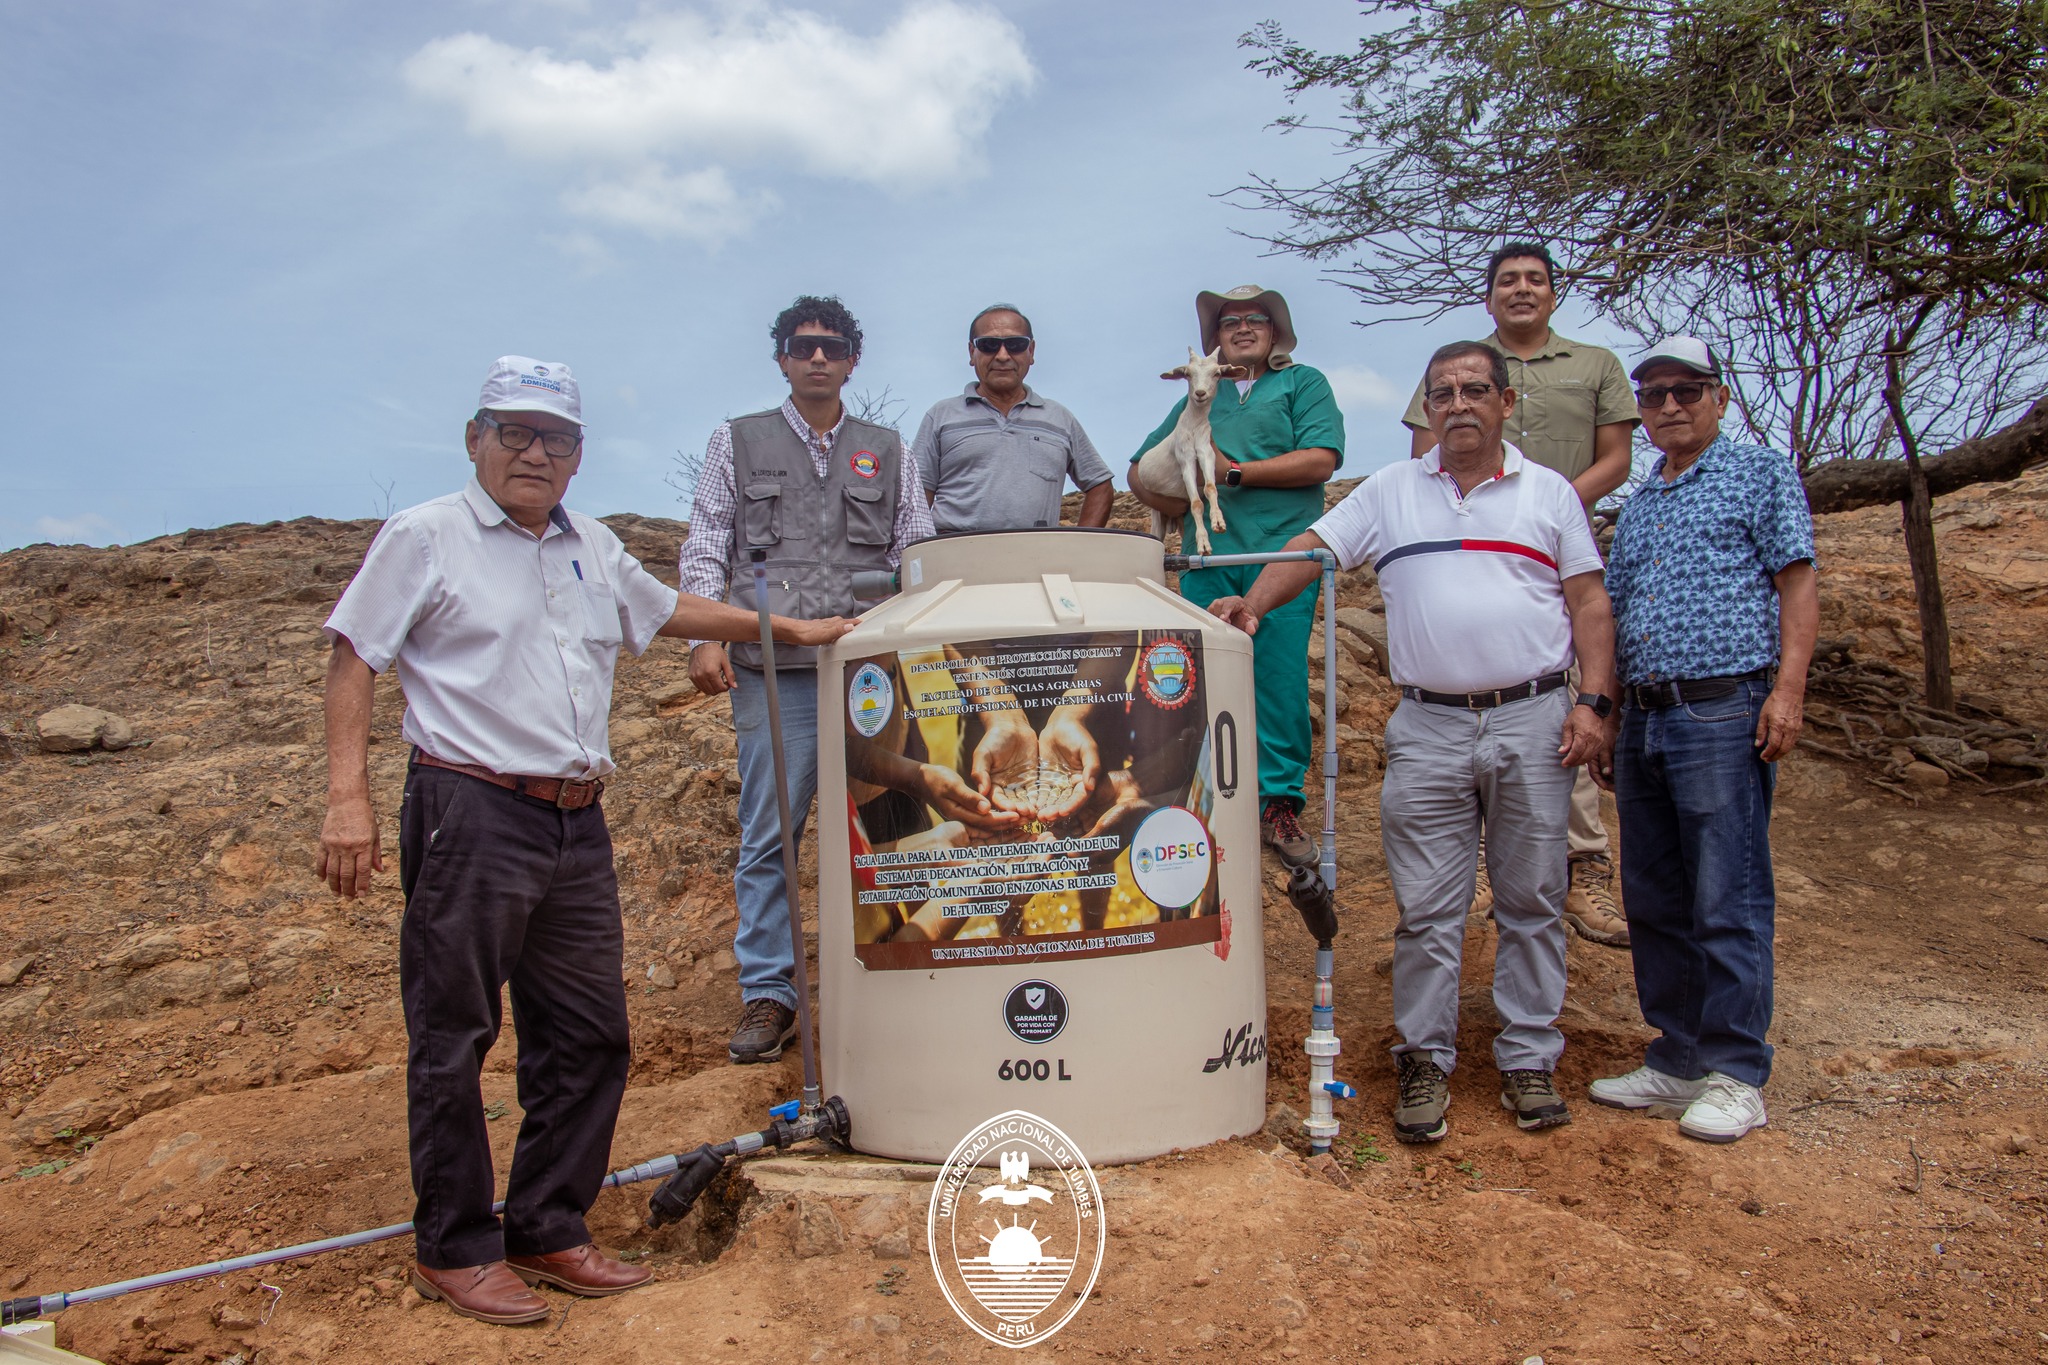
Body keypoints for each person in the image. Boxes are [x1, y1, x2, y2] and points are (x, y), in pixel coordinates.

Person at [318, 357, 851, 1326]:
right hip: (468, 808)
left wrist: (796, 630)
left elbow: (666, 611)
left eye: (554, 439)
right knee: (455, 1035)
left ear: (576, 456)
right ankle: (453, 1247)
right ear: (475, 438)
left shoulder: (588, 546)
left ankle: (546, 1223)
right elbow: (356, 652)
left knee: (590, 1037)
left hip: (573, 821)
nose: (533, 453)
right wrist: (345, 798)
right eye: (514, 433)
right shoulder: (425, 536)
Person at [1209, 341, 1616, 1143]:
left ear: (1505, 402)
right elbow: (1311, 551)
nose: (1458, 404)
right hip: (1427, 723)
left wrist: (1594, 702)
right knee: (1428, 908)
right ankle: (1424, 1057)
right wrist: (1254, 604)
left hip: (1534, 716)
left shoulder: (1551, 494)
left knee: (1532, 898)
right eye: (1442, 393)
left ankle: (1528, 1057)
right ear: (1426, 408)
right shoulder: (1392, 490)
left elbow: (1589, 602)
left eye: (1474, 390)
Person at [678, 296, 938, 1065]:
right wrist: (701, 632)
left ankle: (907, 973)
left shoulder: (887, 449)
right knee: (772, 835)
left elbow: (916, 552)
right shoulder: (737, 441)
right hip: (773, 672)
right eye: (802, 346)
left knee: (894, 822)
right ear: (783, 359)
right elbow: (704, 544)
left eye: (832, 346)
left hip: (872, 675)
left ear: (853, 358)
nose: (817, 357)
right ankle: (770, 993)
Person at [1588, 337, 1817, 1145]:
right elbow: (1610, 617)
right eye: (1653, 395)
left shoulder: (1759, 472)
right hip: (1646, 714)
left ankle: (1735, 1070)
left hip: (1725, 706)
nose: (1670, 406)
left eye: (1687, 390)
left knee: (1728, 891)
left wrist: (1787, 692)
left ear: (1719, 397)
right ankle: (1678, 1055)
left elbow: (1797, 582)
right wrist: (1608, 712)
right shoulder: (1643, 501)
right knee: (1654, 894)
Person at [1401, 243, 1639, 947]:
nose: (1522, 290)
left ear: (1554, 293)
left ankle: (1581, 863)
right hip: (1468, 539)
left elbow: (1618, 456)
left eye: (1536, 279)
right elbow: (1422, 452)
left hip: (1560, 542)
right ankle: (1486, 868)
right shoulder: (1456, 369)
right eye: (1508, 281)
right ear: (1489, 296)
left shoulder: (1596, 364)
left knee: (1558, 693)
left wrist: (1551, 505)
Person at [1129, 284, 1344, 870]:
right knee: (1202, 678)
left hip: (1282, 557)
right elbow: (1143, 470)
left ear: (1276, 331)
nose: (1243, 327)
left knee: (1276, 678)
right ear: (1215, 340)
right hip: (1208, 559)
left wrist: (1232, 474)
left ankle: (1276, 803)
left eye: (1256, 319)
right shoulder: (1200, 397)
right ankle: (1208, 802)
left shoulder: (1303, 385)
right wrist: (1162, 489)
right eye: (1229, 322)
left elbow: (1322, 458)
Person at [912, 303, 1114, 533]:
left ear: (1031, 352)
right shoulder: (940, 416)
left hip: (1038, 559)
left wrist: (1079, 546)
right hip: (954, 557)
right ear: (971, 352)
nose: (1002, 356)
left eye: (1016, 345)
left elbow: (1100, 485)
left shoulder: (1059, 419)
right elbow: (915, 497)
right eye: (988, 345)